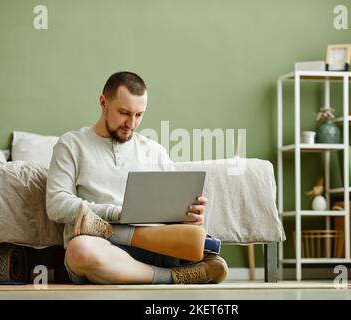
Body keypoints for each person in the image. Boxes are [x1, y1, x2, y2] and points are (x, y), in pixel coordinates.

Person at [46, 71, 228, 284]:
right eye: (124, 112)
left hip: (156, 247)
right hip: (102, 250)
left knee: (194, 236)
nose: (131, 123)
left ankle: (117, 237)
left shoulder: (154, 151)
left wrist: (191, 215)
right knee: (79, 251)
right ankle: (173, 277)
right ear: (103, 103)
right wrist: (118, 213)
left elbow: (174, 208)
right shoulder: (71, 144)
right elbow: (56, 203)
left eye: (139, 115)